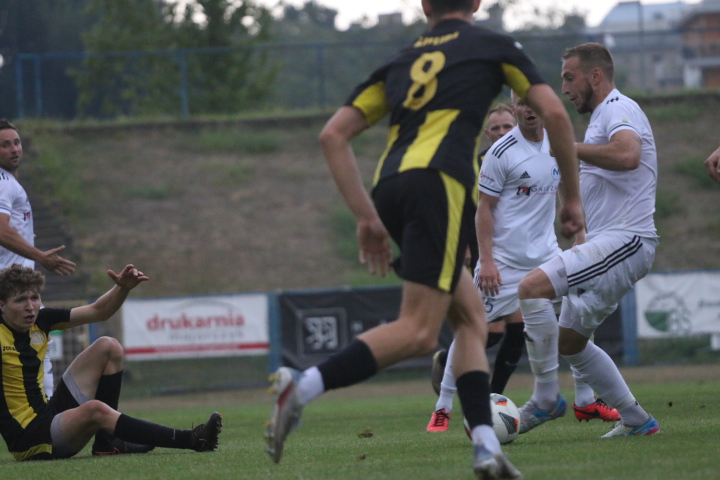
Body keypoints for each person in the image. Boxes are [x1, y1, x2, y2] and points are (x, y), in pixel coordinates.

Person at [264, 1, 584, 478]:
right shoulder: (491, 46)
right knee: (418, 331)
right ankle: (303, 386)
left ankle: (486, 447)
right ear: (476, 3)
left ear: (423, 6)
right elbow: (554, 112)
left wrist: (366, 217)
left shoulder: (402, 59)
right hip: (440, 185)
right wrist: (572, 199)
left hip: (390, 186)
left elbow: (333, 136)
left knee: (470, 318)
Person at [515, 42, 660, 438]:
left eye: (569, 78)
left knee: (530, 288)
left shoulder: (618, 108)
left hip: (627, 239)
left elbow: (628, 155)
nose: (564, 88)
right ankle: (637, 420)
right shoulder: (601, 118)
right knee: (570, 344)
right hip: (609, 242)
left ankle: (545, 399)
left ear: (595, 76)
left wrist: (569, 147)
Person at [0, 263, 223, 460]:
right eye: (20, 300)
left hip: (48, 415)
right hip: (30, 439)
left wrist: (122, 288)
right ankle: (191, 439)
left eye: (34, 298)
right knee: (95, 410)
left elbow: (99, 311)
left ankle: (107, 443)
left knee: (108, 346)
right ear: (2, 305)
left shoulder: (41, 319)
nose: (30, 306)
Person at [430, 103, 517, 398]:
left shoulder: (530, 158)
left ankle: (493, 397)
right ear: (487, 133)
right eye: (496, 128)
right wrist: (465, 246)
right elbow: (463, 208)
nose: (502, 132)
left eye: (507, 126)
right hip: (482, 252)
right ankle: (447, 363)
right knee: (489, 332)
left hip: (517, 253)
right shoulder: (475, 165)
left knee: (515, 329)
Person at [0, 119, 77, 400]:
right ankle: (46, 420)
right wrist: (40, 256)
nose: (14, 149)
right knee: (38, 359)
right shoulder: (3, 182)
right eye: (5, 145)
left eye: (16, 142)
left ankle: (42, 417)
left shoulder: (10, 183)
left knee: (33, 359)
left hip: (15, 291)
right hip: (11, 292)